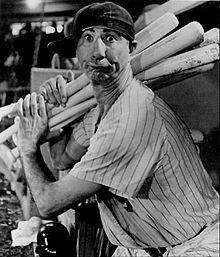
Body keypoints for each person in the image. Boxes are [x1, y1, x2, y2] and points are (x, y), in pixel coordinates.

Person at [15, 2, 219, 257]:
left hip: (195, 247)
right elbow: (61, 157)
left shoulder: (130, 118)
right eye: (88, 38)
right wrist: (58, 114)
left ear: (131, 49)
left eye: (109, 38)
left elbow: (47, 203)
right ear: (77, 52)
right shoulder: (102, 110)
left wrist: (27, 147)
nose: (98, 51)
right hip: (147, 247)